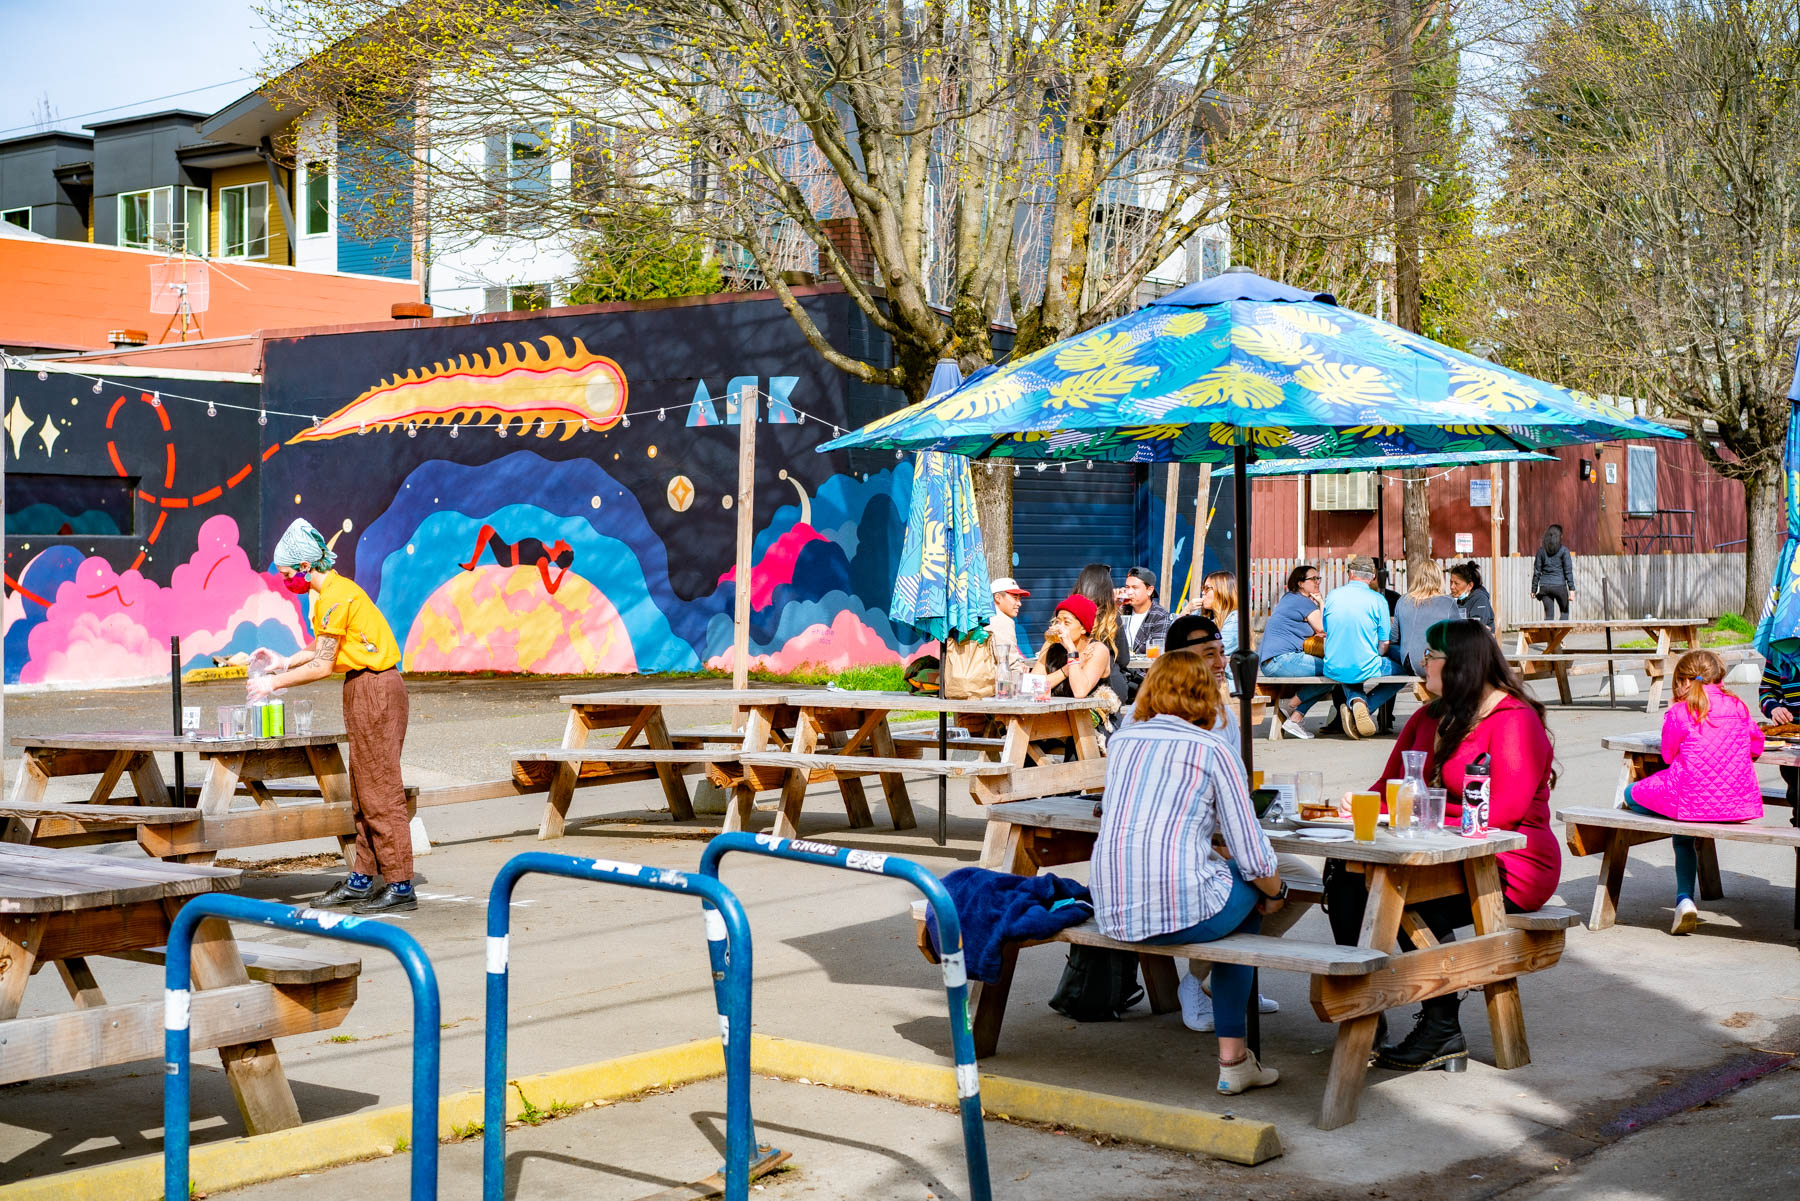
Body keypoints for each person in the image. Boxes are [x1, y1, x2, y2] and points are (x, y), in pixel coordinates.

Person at [1329, 620, 1560, 1072]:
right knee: (1343, 873)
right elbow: (1388, 785)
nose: (1422, 664)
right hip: (1436, 852)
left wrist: (1419, 815)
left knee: (1406, 896)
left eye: (1430, 656)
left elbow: (1504, 813)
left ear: (1458, 665)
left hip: (1510, 862)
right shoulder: (1429, 716)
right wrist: (1360, 804)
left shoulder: (1514, 720)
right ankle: (1364, 1010)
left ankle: (1441, 1027)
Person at [1090, 651, 1284, 1096]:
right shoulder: (1213, 749)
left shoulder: (1122, 742)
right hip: (1180, 910)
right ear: (1206, 694)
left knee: (1236, 887)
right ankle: (1234, 1059)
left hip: (1112, 910)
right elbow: (1252, 854)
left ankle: (1222, 1021)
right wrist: (1277, 891)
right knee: (1251, 898)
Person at [252, 518, 415, 914]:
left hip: (375, 687)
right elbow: (324, 646)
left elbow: (323, 664)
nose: (285, 580)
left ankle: (400, 884)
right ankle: (363, 878)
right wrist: (284, 661)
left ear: (306, 566)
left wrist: (273, 684)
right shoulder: (330, 593)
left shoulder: (337, 595)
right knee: (363, 790)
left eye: (287, 573)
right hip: (363, 687)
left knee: (380, 789)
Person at [1623, 650, 1764, 934]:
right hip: (1736, 804)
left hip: (1688, 802)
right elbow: (1756, 746)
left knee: (1629, 794)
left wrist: (1672, 710)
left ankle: (1684, 899)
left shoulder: (1680, 712)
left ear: (1683, 682)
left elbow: (1667, 755)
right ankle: (1685, 896)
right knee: (1684, 816)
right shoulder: (1738, 706)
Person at [1322, 556, 1406, 739]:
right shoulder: (1378, 600)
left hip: (1332, 664)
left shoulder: (1332, 596)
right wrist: (1378, 654)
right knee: (1404, 674)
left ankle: (1356, 699)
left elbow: (1326, 630)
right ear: (1373, 576)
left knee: (1347, 669)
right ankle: (1365, 706)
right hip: (1365, 663)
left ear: (1350, 573)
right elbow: (1384, 643)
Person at [1258, 564, 1330, 739]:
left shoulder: (1289, 598)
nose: (1317, 582)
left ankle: (1295, 715)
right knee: (1335, 671)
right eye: (1313, 579)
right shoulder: (1302, 602)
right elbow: (1323, 627)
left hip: (1274, 661)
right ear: (1300, 583)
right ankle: (1291, 706)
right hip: (1281, 660)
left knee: (1332, 673)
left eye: (1318, 578)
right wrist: (1322, 603)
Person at [1034, 594, 1116, 705]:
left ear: (1083, 628)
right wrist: (1066, 669)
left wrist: (1071, 650)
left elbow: (1080, 691)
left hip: (1088, 713)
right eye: (1058, 621)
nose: (1060, 627)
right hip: (1052, 712)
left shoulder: (1097, 650)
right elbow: (1033, 686)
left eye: (1066, 623)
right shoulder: (1051, 644)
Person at [1073, 563, 1132, 703]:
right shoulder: (1111, 616)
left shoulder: (1069, 615)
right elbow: (1124, 659)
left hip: (1073, 682)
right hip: (1109, 689)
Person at [1391, 561, 1460, 675]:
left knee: (1390, 649)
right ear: (1439, 578)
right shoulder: (1448, 602)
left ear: (1417, 578)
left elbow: (1393, 638)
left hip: (1410, 664)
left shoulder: (1403, 600)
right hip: (1438, 663)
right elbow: (1459, 637)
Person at [1120, 566, 1171, 698]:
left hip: (1144, 680)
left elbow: (1156, 656)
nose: (1129, 592)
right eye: (1127, 587)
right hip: (1120, 675)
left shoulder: (1159, 616)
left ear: (1149, 590)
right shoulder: (1121, 611)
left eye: (1135, 588)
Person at [1531, 525, 1576, 620]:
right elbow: (1568, 571)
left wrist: (1533, 589)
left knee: (1549, 616)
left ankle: (1550, 630)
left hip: (1545, 586)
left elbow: (1537, 571)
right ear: (1560, 536)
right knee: (1564, 613)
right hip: (1560, 586)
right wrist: (1571, 589)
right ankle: (1560, 629)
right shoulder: (1564, 551)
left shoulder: (1541, 551)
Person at [987, 577, 1033, 671]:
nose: (1019, 603)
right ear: (998, 597)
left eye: (1019, 599)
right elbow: (1010, 664)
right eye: (1015, 598)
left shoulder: (984, 616)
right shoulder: (1002, 620)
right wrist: (1020, 669)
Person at [1448, 562, 1496, 632]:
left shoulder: (1480, 599)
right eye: (1451, 582)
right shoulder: (1453, 599)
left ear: (1470, 585)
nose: (1452, 587)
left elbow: (1475, 629)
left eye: (1456, 583)